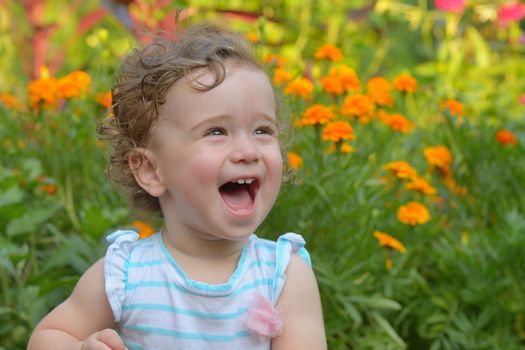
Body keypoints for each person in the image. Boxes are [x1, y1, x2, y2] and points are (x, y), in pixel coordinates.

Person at [28, 22, 326, 350]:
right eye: (216, 132)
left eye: (262, 131)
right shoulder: (125, 274)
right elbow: (49, 338)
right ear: (152, 171)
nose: (248, 151)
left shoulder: (282, 276)